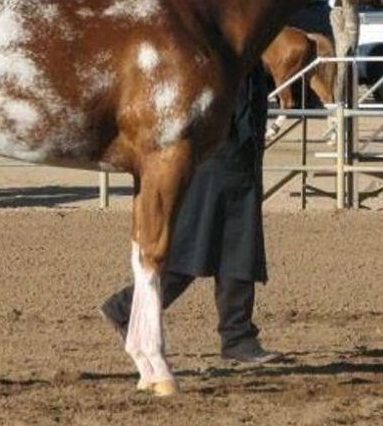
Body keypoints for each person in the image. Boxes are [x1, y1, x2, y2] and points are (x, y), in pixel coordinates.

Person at [100, 63, 281, 364]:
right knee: (193, 246)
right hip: (218, 153)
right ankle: (127, 308)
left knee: (234, 245)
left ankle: (238, 336)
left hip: (237, 152)